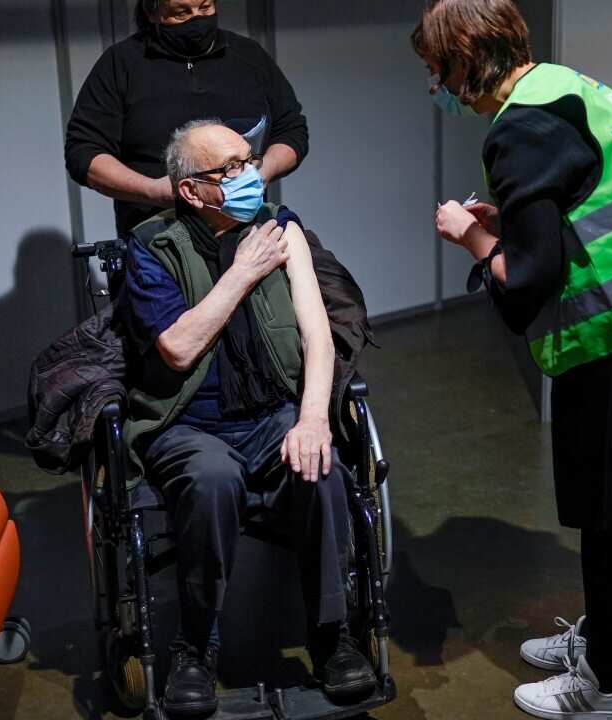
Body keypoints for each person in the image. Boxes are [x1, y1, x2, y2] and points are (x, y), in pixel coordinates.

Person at [412, 1, 612, 718]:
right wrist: (516, 228)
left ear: (464, 61)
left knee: (607, 518)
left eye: (436, 73)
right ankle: (602, 636)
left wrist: (471, 238)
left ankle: (606, 686)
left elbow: (527, 282)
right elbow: (574, 210)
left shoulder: (516, 130)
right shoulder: (568, 86)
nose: (437, 89)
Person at [122, 119, 376, 717]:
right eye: (231, 169)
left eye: (249, 160)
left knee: (323, 470)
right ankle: (194, 647)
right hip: (186, 423)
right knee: (213, 481)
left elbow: (318, 334)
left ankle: (332, 636)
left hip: (273, 415)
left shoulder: (281, 228)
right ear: (192, 191)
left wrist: (312, 418)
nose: (250, 175)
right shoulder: (152, 247)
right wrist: (241, 271)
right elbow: (178, 349)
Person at [65, 0, 309, 238]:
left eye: (205, 7)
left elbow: (291, 129)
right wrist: (152, 190)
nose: (197, 18)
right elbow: (83, 153)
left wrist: (262, 173)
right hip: (157, 237)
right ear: (153, 12)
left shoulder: (249, 56)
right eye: (181, 12)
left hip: (246, 230)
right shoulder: (120, 64)